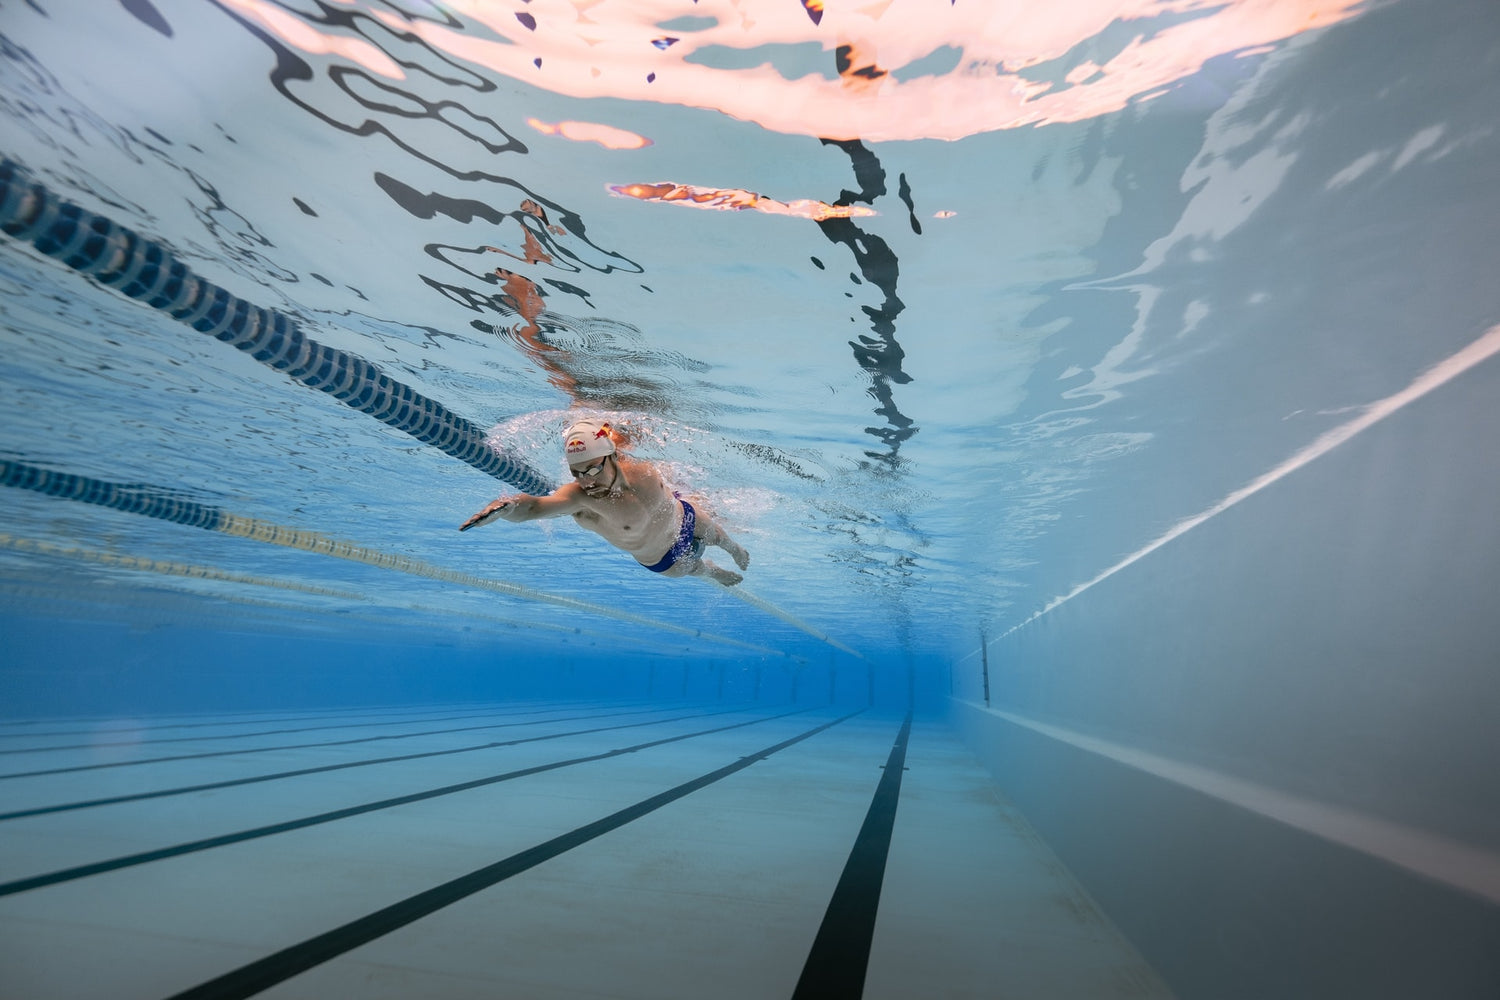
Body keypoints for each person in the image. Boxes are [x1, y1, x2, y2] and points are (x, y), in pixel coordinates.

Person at [460, 418, 751, 586]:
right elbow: (535, 507)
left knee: (717, 533)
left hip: (683, 517)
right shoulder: (580, 499)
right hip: (664, 557)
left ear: (613, 457)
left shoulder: (639, 469)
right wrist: (506, 508)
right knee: (694, 569)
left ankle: (734, 549)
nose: (587, 480)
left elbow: (616, 431)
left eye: (594, 469)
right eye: (578, 473)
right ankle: (714, 572)